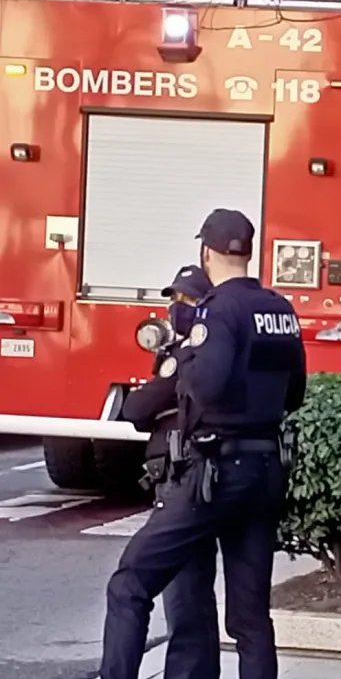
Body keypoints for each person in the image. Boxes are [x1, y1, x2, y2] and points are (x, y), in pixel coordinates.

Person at [100, 209, 307, 679]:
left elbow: (206, 386)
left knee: (130, 582)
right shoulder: (280, 309)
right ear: (249, 252)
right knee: (251, 618)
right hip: (266, 471)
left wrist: (184, 361)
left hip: (215, 473)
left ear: (206, 252)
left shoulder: (217, 310)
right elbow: (295, 392)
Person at [120, 264, 220, 679]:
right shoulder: (186, 351)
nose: (177, 307)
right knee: (191, 595)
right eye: (174, 298)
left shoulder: (185, 356)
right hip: (188, 479)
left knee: (149, 588)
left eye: (187, 299)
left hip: (183, 482)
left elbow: (138, 409)